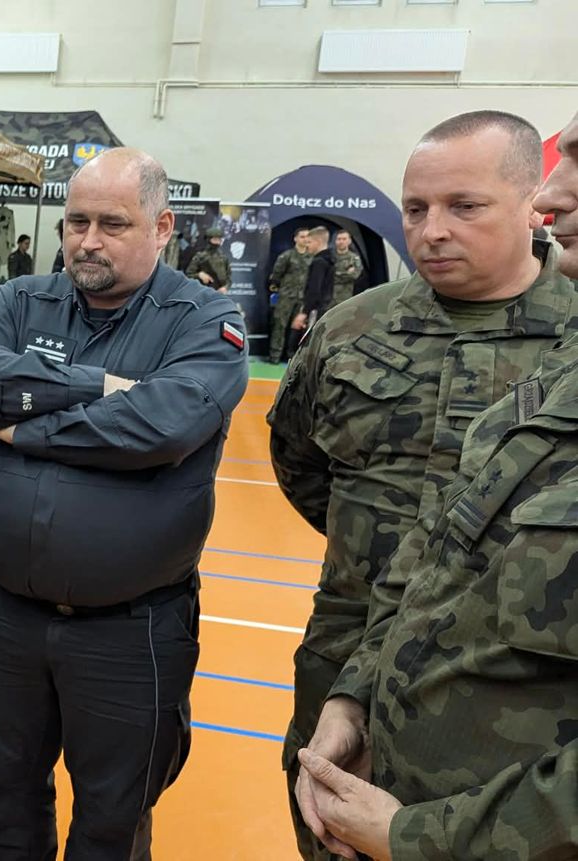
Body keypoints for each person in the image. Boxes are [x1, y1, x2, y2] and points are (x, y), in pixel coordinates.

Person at [267, 109, 577, 861]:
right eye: (415, 209)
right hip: (349, 648)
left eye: (464, 206)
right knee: (329, 832)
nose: (432, 231)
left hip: (508, 704)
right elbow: (299, 461)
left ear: (526, 205)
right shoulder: (349, 328)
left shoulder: (570, 337)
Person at [0, 148, 249, 860]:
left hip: (129, 634)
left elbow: (162, 425)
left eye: (113, 224)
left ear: (162, 226)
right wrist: (100, 386)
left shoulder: (203, 319)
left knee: (112, 823)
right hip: (3, 619)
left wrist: (25, 424)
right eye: (76, 221)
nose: (87, 240)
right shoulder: (21, 300)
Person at [267, 227, 316, 363]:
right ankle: (275, 356)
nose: (305, 239)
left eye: (307, 236)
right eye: (302, 236)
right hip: (286, 296)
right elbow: (276, 275)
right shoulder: (287, 256)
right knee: (279, 326)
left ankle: (292, 356)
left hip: (302, 298)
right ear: (295, 239)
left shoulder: (311, 258)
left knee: (297, 328)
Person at [184, 225, 231, 293]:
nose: (217, 242)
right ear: (208, 240)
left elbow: (228, 277)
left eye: (219, 240)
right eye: (215, 239)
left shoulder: (223, 257)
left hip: (219, 294)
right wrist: (199, 275)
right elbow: (188, 274)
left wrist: (225, 287)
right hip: (202, 292)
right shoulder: (200, 256)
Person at [326, 230, 363, 313]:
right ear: (335, 241)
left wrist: (335, 274)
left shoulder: (354, 258)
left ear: (349, 241)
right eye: (339, 239)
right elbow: (325, 276)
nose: (341, 241)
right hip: (328, 299)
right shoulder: (329, 257)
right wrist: (346, 273)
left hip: (345, 299)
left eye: (344, 239)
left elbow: (354, 275)